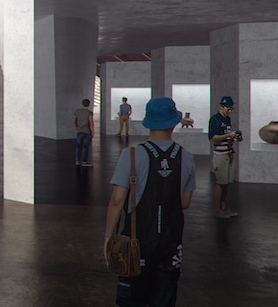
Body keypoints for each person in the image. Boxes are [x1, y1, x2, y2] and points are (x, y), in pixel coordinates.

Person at [104, 97, 196, 307]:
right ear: (174, 123)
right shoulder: (186, 157)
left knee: (132, 297)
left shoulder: (132, 155)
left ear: (148, 123)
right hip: (171, 241)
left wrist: (109, 237)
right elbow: (184, 202)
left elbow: (117, 201)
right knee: (164, 298)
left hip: (137, 240)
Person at [207, 95, 241, 218]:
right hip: (220, 155)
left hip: (229, 153)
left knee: (226, 182)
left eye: (231, 109)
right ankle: (217, 208)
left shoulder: (228, 120)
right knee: (220, 182)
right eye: (228, 108)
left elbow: (227, 135)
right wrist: (228, 136)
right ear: (221, 107)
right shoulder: (215, 120)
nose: (230, 111)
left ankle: (224, 206)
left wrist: (234, 137)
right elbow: (212, 138)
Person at [74, 98, 95, 166]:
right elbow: (91, 123)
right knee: (86, 147)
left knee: (78, 147)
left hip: (79, 131)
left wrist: (77, 127)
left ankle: (77, 161)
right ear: (89, 104)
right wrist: (93, 131)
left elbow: (74, 120)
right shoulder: (89, 113)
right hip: (86, 131)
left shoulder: (77, 111)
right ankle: (84, 162)